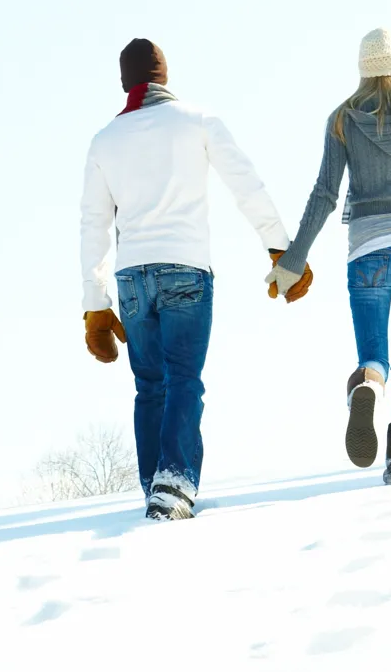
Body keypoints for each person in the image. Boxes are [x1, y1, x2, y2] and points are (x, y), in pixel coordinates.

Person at [80, 38, 312, 521]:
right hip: (185, 267)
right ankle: (174, 483)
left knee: (150, 386)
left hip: (132, 277)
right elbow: (246, 183)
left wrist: (95, 303)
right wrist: (280, 248)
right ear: (164, 76)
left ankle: (156, 486)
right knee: (184, 378)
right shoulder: (198, 121)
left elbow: (93, 225)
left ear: (125, 82)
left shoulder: (104, 141)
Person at [266, 28, 391, 485]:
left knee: (375, 356)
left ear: (363, 69)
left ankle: (369, 385)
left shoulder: (342, 119)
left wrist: (294, 259)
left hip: (369, 251)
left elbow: (324, 195)